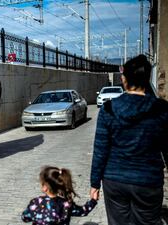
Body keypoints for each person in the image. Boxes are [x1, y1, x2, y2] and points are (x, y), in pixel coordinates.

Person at [90, 54, 168, 225]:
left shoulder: (108, 109)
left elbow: (100, 149)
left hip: (114, 180)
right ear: (147, 78)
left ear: (124, 79)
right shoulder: (161, 109)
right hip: (148, 181)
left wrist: (94, 183)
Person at [22, 166, 98, 225]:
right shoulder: (66, 204)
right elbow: (83, 211)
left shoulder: (36, 203)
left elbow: (25, 218)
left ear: (45, 187)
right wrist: (93, 200)